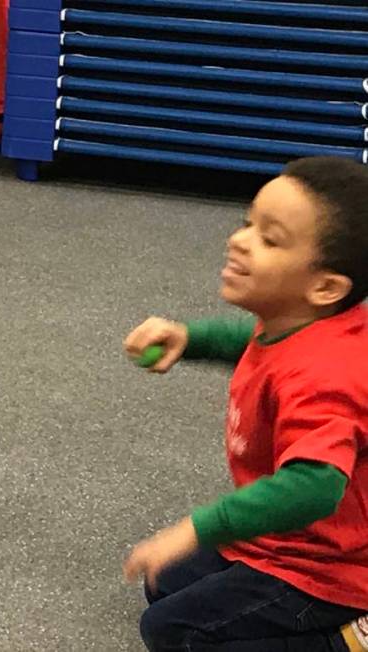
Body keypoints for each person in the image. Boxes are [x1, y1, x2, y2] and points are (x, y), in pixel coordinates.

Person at [121, 156, 367, 651]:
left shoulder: (327, 374)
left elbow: (313, 487)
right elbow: (258, 344)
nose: (239, 240)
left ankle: (348, 638)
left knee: (173, 632)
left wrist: (197, 528)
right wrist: (192, 339)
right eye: (247, 223)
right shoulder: (302, 323)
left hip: (330, 566)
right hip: (286, 540)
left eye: (269, 239)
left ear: (325, 287)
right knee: (162, 582)